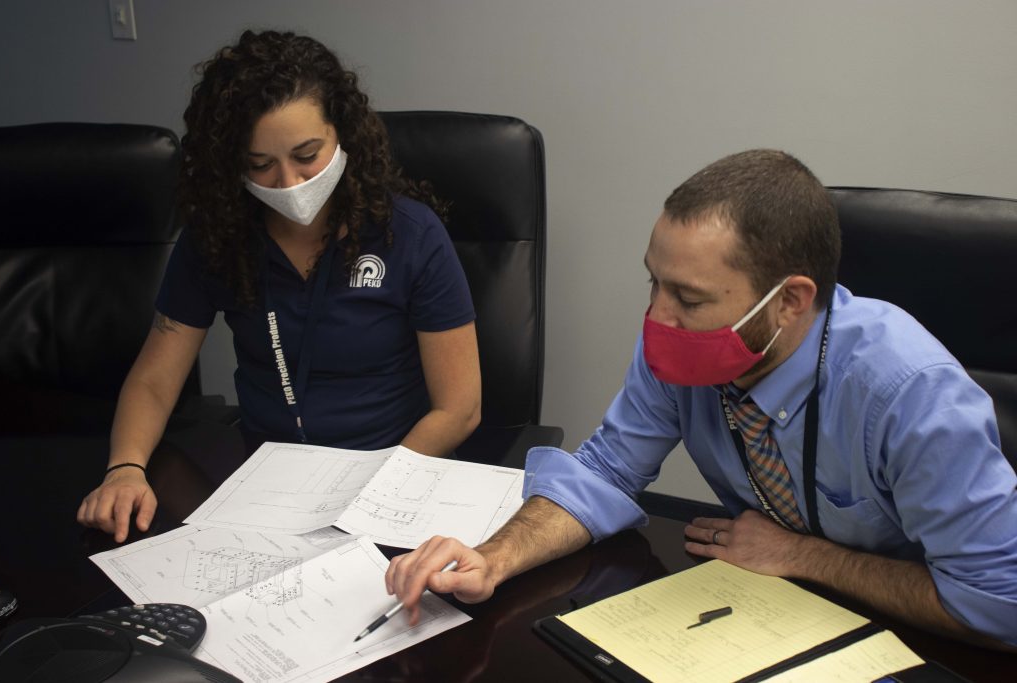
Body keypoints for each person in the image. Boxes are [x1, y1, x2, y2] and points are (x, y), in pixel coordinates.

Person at [387, 150, 1017, 649]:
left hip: (916, 638)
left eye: (688, 299)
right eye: (654, 283)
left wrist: (804, 555)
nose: (657, 318)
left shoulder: (909, 394)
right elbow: (604, 473)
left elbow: (998, 605)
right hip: (760, 616)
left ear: (790, 301)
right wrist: (491, 559)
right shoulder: (680, 349)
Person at [78, 30, 480, 543]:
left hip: (393, 476)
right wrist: (125, 469)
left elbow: (459, 408)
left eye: (307, 154)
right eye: (260, 165)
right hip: (268, 489)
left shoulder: (410, 235)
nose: (289, 183)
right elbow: (155, 379)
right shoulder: (217, 239)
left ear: (343, 134)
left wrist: (372, 494)